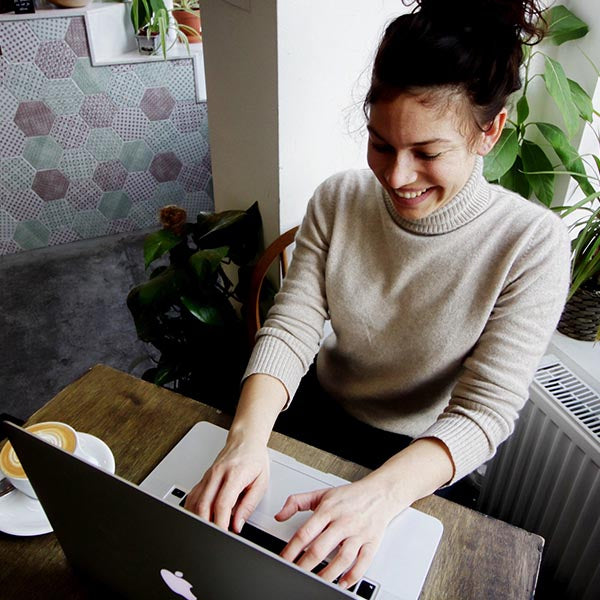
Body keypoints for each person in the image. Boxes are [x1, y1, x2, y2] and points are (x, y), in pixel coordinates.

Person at [185, 0, 571, 590]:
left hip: (425, 455)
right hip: (318, 414)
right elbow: (291, 329)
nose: (396, 178)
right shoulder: (339, 199)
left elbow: (483, 412)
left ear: (488, 131)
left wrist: (381, 496)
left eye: (428, 153)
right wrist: (245, 440)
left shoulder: (531, 244)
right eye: (381, 144)